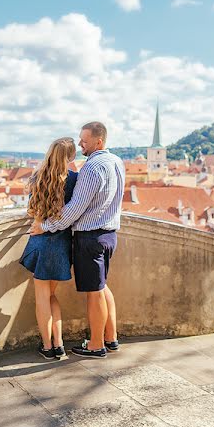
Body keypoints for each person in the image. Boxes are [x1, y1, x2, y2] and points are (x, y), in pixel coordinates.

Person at [30, 121, 125, 359]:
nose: (81, 143)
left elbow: (74, 210)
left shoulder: (91, 169)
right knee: (102, 287)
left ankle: (95, 345)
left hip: (89, 237)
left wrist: (45, 226)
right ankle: (110, 338)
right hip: (109, 233)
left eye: (85, 140)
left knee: (94, 292)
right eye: (80, 141)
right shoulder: (116, 161)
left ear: (99, 141)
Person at [21, 137, 78, 360]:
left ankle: (47, 346)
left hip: (40, 241)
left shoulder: (37, 177)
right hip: (62, 243)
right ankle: (60, 345)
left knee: (43, 297)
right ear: (71, 156)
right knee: (52, 295)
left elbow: (31, 211)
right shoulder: (74, 180)